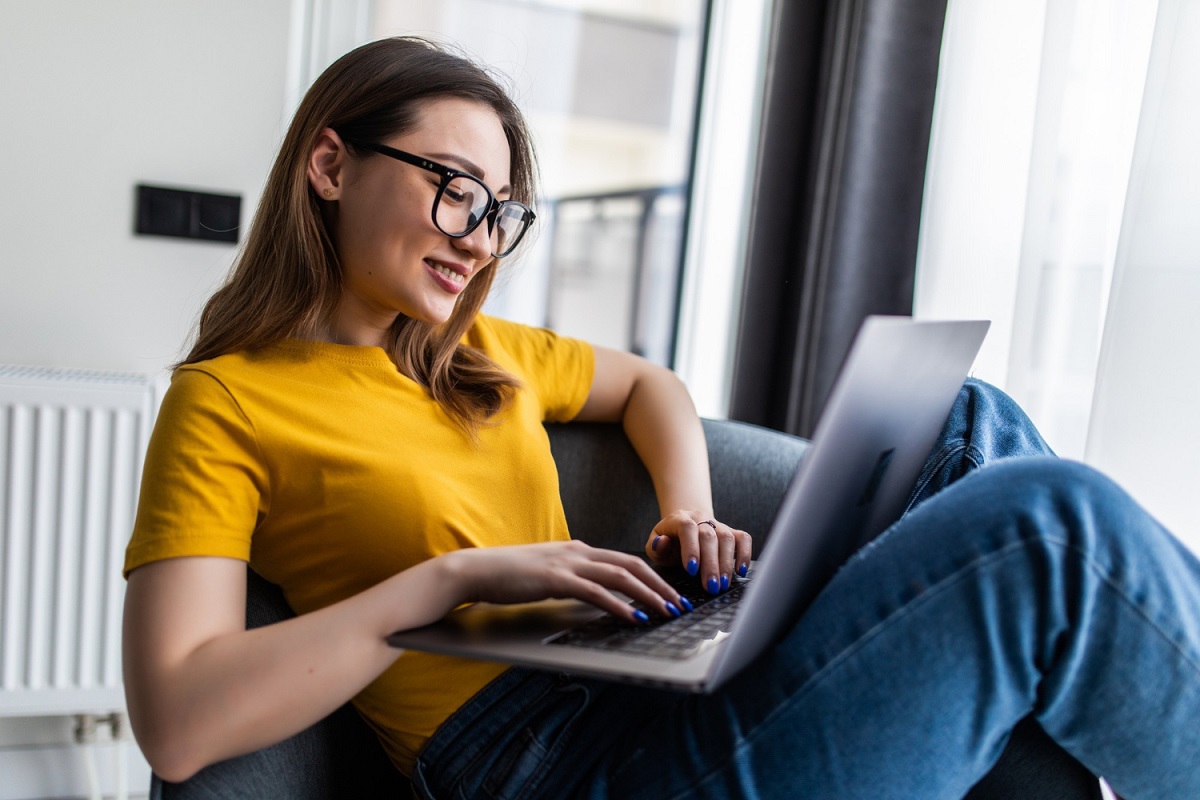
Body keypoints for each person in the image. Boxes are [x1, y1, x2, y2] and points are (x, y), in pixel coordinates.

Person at [122, 36, 1200, 799]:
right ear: (329, 164)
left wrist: (685, 509)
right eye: (456, 188)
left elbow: (651, 387)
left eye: (499, 211)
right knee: (1045, 526)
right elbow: (178, 717)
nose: (481, 236)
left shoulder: (479, 358)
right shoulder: (226, 400)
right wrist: (443, 584)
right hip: (553, 765)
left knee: (970, 420)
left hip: (651, 691)